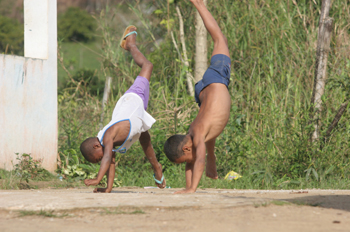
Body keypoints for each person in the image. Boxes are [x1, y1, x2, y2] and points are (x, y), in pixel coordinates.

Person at [80, 26, 166, 193]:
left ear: (97, 147)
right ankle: (156, 167)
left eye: (97, 159)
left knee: (147, 65)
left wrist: (97, 178)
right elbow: (110, 163)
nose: (101, 162)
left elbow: (106, 159)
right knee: (144, 137)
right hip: (134, 115)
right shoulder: (107, 147)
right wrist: (107, 188)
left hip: (133, 99)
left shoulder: (106, 137)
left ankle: (130, 44)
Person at [164, 0, 231, 194]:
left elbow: (197, 159)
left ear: (186, 148)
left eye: (188, 158)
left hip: (215, 78)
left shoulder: (197, 135)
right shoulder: (192, 131)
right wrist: (187, 187)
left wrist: (192, 189)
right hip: (203, 92)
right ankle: (214, 162)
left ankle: (199, 5)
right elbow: (190, 163)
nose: (190, 163)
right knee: (210, 125)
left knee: (220, 39)